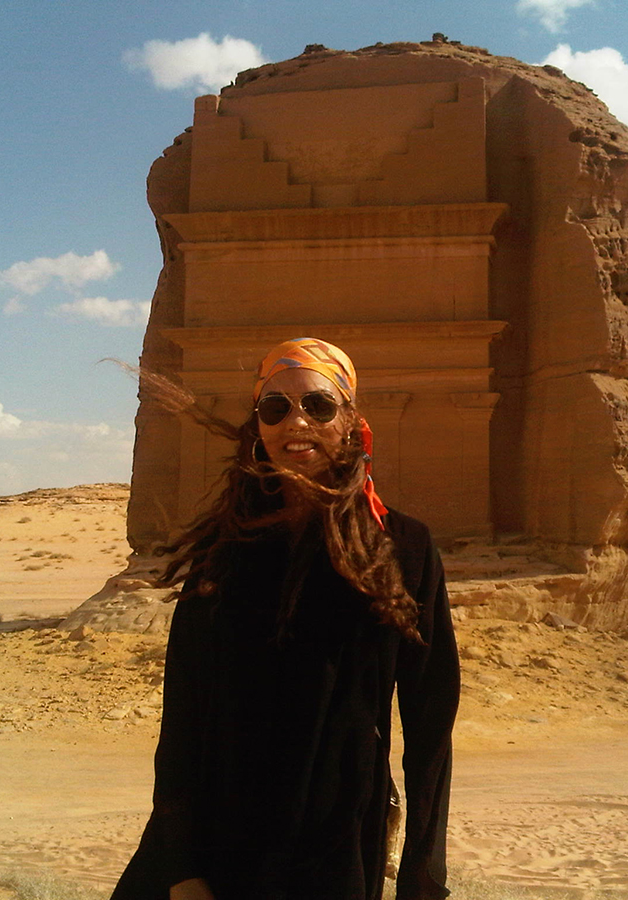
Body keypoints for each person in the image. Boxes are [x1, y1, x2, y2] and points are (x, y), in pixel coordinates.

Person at [110, 337, 460, 900]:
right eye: (275, 408)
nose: (296, 421)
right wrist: (180, 866)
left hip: (336, 838)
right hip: (219, 835)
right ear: (258, 425)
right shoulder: (222, 548)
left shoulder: (403, 547)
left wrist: (423, 871)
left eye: (318, 405)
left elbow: (429, 724)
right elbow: (182, 720)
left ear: (350, 420)